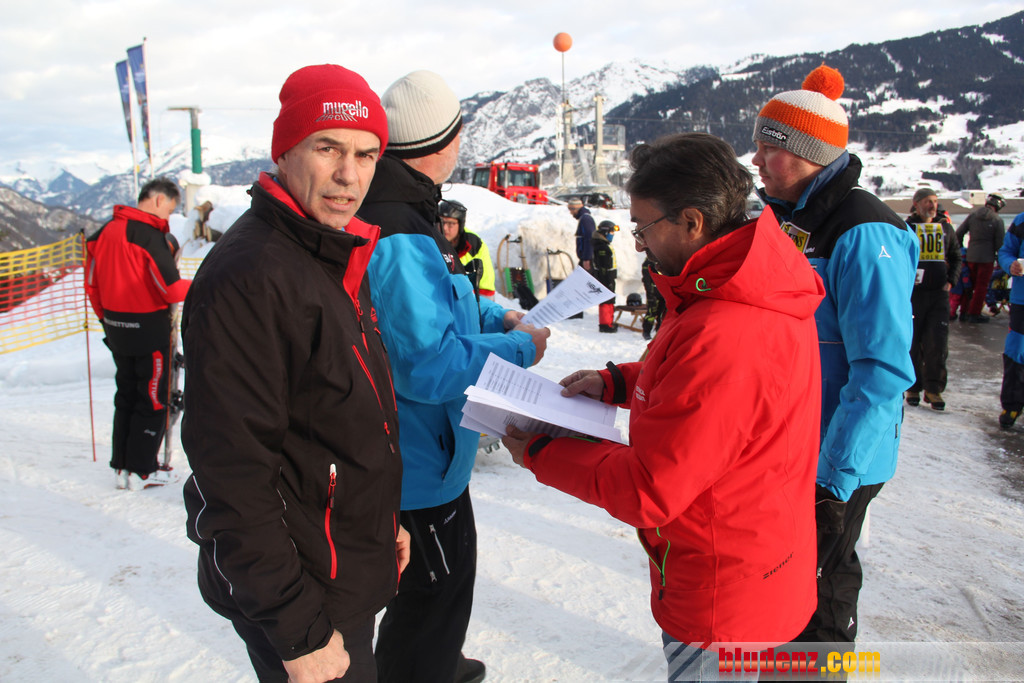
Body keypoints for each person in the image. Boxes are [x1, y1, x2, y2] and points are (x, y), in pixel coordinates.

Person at [502, 132, 824, 681]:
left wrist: (540, 451)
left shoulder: (725, 328)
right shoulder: (742, 289)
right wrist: (618, 383)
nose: (639, 244)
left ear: (691, 221)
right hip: (754, 556)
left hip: (722, 595)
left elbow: (650, 489)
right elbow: (709, 394)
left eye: (643, 227)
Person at [179, 64, 409, 683]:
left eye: (366, 154)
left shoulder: (329, 249)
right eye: (327, 147)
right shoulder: (253, 275)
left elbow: (335, 417)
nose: (349, 174)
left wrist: (381, 521)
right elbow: (232, 473)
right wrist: (295, 629)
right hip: (304, 593)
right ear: (284, 153)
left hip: (340, 556)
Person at [356, 69, 550, 683]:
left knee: (440, 591)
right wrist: (518, 349)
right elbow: (427, 363)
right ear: (448, 140)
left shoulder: (405, 208)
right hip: (418, 462)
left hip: (424, 454)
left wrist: (495, 317)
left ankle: (437, 661)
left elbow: (433, 309)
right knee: (430, 599)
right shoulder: (398, 228)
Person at [751, 63, 919, 649]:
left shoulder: (865, 232)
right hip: (792, 443)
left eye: (767, 149)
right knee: (784, 586)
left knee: (819, 592)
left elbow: (882, 371)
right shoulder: (786, 217)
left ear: (807, 153)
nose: (756, 161)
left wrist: (833, 479)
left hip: (835, 455)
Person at [85, 176, 189, 491]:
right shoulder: (148, 236)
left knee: (127, 394)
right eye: (170, 209)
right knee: (154, 397)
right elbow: (170, 290)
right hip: (150, 329)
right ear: (159, 200)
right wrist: (205, 283)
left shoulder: (103, 232)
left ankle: (121, 466)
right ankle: (143, 469)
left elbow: (92, 285)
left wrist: (106, 320)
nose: (168, 216)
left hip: (116, 327)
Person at [905, 187, 961, 411]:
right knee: (913, 342)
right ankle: (913, 387)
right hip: (914, 294)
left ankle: (934, 388)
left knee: (937, 342)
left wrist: (951, 281)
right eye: (928, 201)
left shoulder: (945, 228)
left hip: (939, 294)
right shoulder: (907, 227)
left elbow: (956, 257)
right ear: (916, 204)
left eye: (935, 201)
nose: (932, 205)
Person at [956, 193, 1006, 323]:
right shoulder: (997, 220)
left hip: (971, 256)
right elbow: (1000, 244)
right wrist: (1000, 260)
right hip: (987, 258)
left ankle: (964, 312)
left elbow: (959, 233)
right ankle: (974, 313)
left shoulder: (973, 216)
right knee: (981, 287)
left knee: (968, 285)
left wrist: (961, 249)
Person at [996, 210, 1024, 428]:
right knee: (1016, 351)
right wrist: (1010, 264)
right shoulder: (1021, 221)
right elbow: (1005, 252)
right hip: (1022, 300)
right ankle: (1012, 405)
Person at [440, 198, 497, 298]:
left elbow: (485, 288)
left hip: (468, 298)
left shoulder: (475, 245)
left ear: (460, 224)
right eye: (441, 222)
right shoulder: (428, 239)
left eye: (450, 224)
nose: (444, 228)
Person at [593, 219, 619, 332]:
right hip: (605, 278)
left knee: (610, 299)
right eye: (611, 232)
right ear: (605, 232)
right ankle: (605, 325)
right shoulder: (601, 247)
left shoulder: (604, 244)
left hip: (609, 277)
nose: (612, 235)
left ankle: (609, 321)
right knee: (606, 300)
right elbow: (603, 266)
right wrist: (607, 280)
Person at [640, 256, 665, 340]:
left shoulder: (663, 261)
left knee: (662, 313)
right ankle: (646, 332)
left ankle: (660, 332)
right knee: (651, 313)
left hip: (663, 293)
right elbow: (646, 280)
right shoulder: (648, 263)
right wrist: (650, 294)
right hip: (653, 293)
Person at [568, 197, 595, 271]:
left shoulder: (585, 219)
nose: (570, 213)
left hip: (586, 259)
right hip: (584, 258)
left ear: (575, 208)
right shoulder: (583, 218)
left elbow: (589, 238)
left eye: (571, 209)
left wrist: (587, 258)